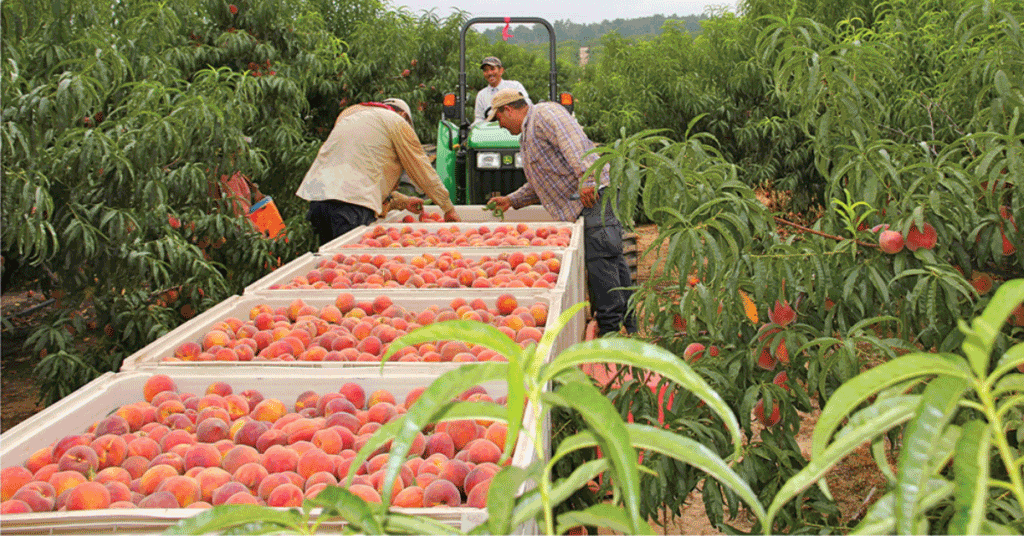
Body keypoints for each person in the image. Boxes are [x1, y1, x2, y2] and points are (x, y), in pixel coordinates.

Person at [485, 89, 637, 337]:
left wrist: (587, 176)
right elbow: (543, 182)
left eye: (499, 119)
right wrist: (511, 200)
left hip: (593, 197)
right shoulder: (527, 135)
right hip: (584, 201)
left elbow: (573, 142)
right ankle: (626, 326)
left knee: (602, 263)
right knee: (610, 261)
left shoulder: (544, 114)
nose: (500, 126)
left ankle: (612, 332)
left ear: (508, 110)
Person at [296, 98, 460, 245]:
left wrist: (404, 201)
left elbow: (360, 179)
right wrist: (448, 208)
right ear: (403, 115)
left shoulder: (354, 119)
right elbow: (422, 170)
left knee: (333, 262)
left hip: (318, 201)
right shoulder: (396, 122)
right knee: (352, 264)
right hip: (351, 207)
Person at [473, 56, 532, 125]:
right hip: (490, 131)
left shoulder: (515, 86)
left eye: (492, 69)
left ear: (501, 70)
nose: (489, 73)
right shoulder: (481, 95)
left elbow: (527, 105)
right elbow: (479, 118)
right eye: (486, 70)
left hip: (515, 128)